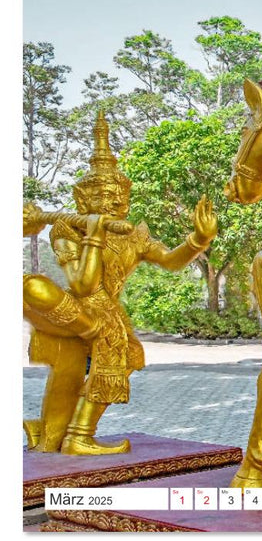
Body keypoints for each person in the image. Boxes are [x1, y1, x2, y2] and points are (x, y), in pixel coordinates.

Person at [22, 113, 217, 454]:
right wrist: (94, 236)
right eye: (103, 196)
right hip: (79, 308)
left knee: (113, 359)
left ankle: (68, 432)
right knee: (35, 288)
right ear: (83, 201)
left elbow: (171, 261)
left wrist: (198, 240)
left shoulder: (133, 237)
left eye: (118, 197)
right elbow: (82, 285)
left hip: (107, 310)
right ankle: (75, 436)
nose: (113, 203)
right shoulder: (67, 230)